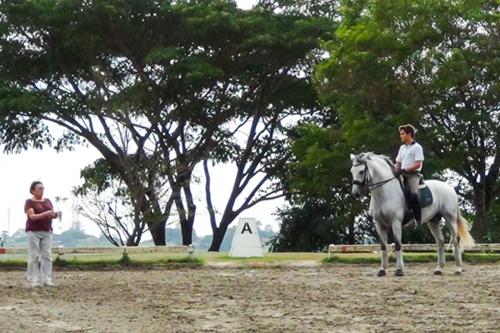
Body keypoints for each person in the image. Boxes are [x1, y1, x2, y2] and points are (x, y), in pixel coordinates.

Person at [24, 181, 58, 287]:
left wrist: (54, 215)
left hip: (46, 231)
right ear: (33, 190)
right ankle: (32, 280)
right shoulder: (29, 202)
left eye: (43, 188)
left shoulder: (48, 201)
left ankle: (46, 279)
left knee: (47, 256)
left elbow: (52, 214)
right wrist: (47, 213)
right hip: (33, 232)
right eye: (39, 188)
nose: (42, 190)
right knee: (33, 257)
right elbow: (32, 217)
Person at [394, 124, 424, 225]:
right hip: (402, 175)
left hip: (413, 175)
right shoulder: (402, 148)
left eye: (402, 134)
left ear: (409, 134)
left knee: (414, 194)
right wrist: (392, 171)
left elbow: (418, 164)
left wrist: (405, 169)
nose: (400, 136)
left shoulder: (417, 147)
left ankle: (417, 218)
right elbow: (397, 164)